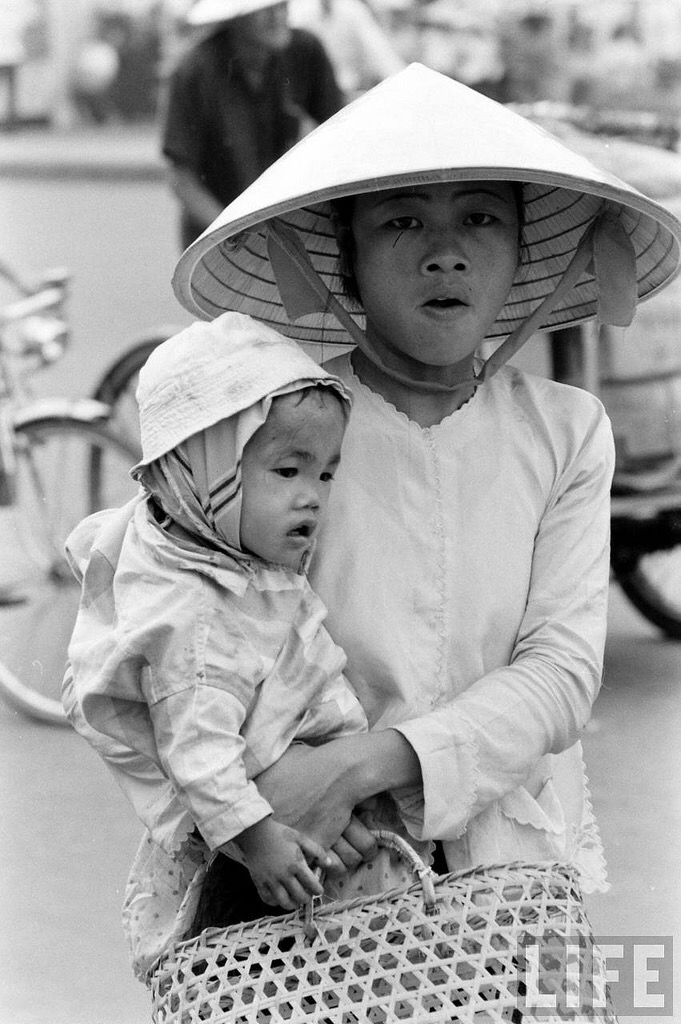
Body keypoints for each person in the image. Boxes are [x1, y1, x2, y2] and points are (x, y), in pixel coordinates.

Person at [169, 61, 681, 954]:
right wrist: (270, 783)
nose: (444, 253)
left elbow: (560, 674)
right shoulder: (275, 428)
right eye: (401, 222)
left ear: (521, 255)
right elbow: (188, 630)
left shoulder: (566, 431)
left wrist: (359, 765)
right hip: (298, 871)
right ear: (347, 261)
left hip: (502, 873)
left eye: (479, 219)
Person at [62, 314, 375, 976]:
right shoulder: (193, 618)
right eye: (287, 470)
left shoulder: (215, 551)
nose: (312, 498)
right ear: (199, 472)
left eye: (325, 474)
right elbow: (198, 750)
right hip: (261, 857)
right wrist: (260, 844)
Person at [160, 0, 343, 248]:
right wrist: (231, 232)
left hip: (286, 230)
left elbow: (340, 134)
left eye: (282, 5)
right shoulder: (195, 70)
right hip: (217, 237)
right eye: (265, 9)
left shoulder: (304, 51)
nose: (277, 15)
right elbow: (182, 178)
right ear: (235, 17)